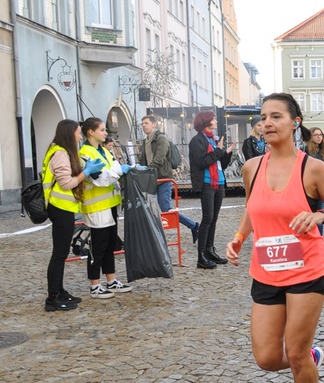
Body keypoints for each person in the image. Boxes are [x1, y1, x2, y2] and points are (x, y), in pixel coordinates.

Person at [226, 93, 324, 383]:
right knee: (267, 358)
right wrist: (239, 237)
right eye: (263, 117)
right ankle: (309, 359)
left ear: (296, 121)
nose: (267, 123)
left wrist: (320, 215)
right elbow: (253, 207)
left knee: (294, 352)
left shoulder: (313, 168)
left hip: (307, 270)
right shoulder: (252, 168)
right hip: (266, 270)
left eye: (276, 116)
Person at [42, 120, 104, 311]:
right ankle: (52, 298)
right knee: (59, 254)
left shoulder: (61, 151)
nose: (79, 136)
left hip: (63, 207)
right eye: (77, 132)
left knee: (61, 253)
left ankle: (59, 291)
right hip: (60, 208)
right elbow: (66, 183)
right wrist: (86, 173)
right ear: (69, 134)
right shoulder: (60, 154)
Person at [79, 117, 133, 299]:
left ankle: (111, 280)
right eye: (102, 130)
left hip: (110, 204)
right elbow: (100, 179)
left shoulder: (103, 150)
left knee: (110, 244)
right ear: (91, 132)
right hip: (96, 206)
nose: (106, 133)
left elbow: (114, 168)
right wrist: (119, 171)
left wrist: (125, 168)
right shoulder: (85, 153)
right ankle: (95, 284)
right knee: (98, 246)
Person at [139, 115, 199, 243]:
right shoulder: (145, 141)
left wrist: (147, 169)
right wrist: (138, 169)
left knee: (166, 208)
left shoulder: (161, 138)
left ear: (154, 125)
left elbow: (159, 158)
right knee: (149, 208)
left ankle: (193, 226)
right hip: (151, 179)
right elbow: (142, 160)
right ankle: (154, 238)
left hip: (163, 178)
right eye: (142, 123)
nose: (143, 125)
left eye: (146, 123)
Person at [189, 111, 236, 269]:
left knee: (214, 219)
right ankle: (201, 256)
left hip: (219, 182)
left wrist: (226, 153)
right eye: (213, 119)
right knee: (207, 218)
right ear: (206, 121)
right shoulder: (197, 141)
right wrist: (219, 151)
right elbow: (202, 162)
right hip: (207, 183)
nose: (216, 121)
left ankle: (210, 250)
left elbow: (220, 164)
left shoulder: (213, 139)